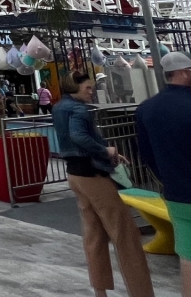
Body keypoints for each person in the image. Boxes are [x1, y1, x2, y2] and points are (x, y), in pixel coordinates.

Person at [54, 72, 154, 297]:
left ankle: (100, 290)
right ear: (75, 88)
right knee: (126, 234)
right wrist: (105, 150)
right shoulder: (79, 110)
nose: (91, 92)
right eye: (87, 88)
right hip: (93, 174)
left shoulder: (60, 107)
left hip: (76, 174)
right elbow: (79, 136)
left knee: (94, 233)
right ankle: (141, 292)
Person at [136, 52, 191, 297]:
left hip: (176, 195)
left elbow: (146, 154)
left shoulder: (146, 109)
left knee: (188, 255)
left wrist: (168, 179)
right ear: (184, 73)